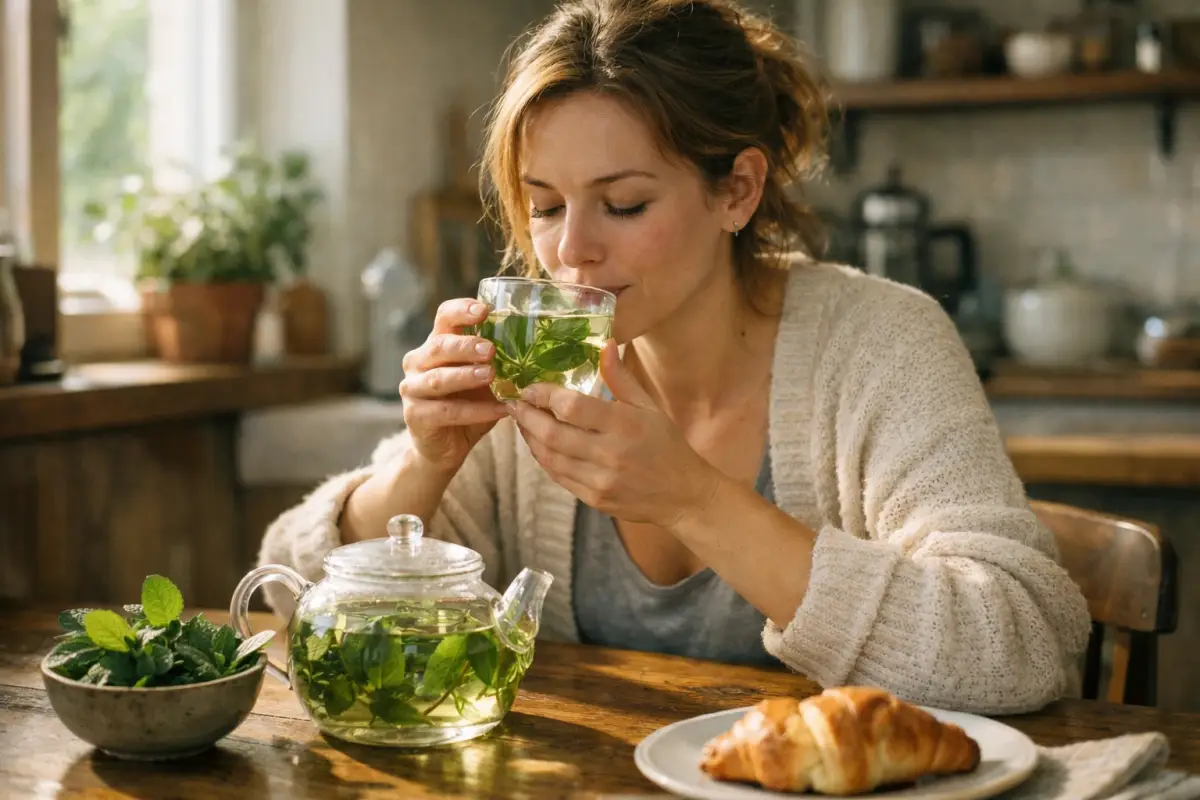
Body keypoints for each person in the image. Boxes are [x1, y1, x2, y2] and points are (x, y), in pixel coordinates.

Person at [258, 0, 1091, 715]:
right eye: (544, 207)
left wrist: (696, 500)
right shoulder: (533, 372)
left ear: (737, 191)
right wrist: (422, 464)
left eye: (624, 204)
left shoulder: (880, 344)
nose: (571, 252)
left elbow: (1023, 646)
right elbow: (281, 605)